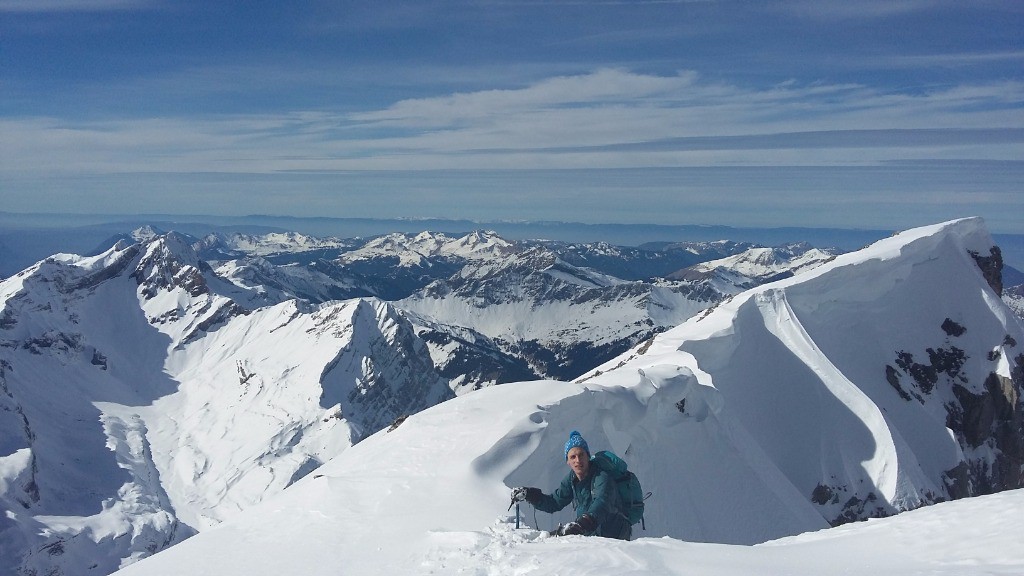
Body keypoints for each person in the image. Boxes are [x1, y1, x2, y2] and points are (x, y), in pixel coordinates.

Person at [511, 430, 631, 540]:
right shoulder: (571, 479)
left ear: (588, 456)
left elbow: (602, 503)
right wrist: (530, 495)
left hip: (614, 535)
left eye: (581, 455)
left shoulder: (602, 476)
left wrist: (581, 524)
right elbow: (554, 502)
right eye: (573, 457)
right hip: (590, 534)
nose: (578, 460)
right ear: (568, 461)